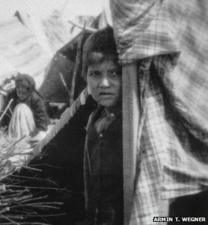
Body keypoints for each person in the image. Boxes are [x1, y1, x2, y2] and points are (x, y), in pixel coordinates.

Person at [81, 27, 123, 225]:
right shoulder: (93, 120)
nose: (104, 83)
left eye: (115, 73)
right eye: (95, 74)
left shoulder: (136, 124)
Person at [0, 73, 49, 142]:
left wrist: (30, 136)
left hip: (31, 133)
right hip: (14, 132)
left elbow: (42, 125)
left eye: (24, 91)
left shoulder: (36, 100)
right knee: (19, 107)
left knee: (21, 107)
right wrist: (3, 132)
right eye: (18, 88)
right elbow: (3, 116)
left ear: (29, 91)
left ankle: (23, 140)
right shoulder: (11, 96)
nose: (20, 93)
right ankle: (17, 139)